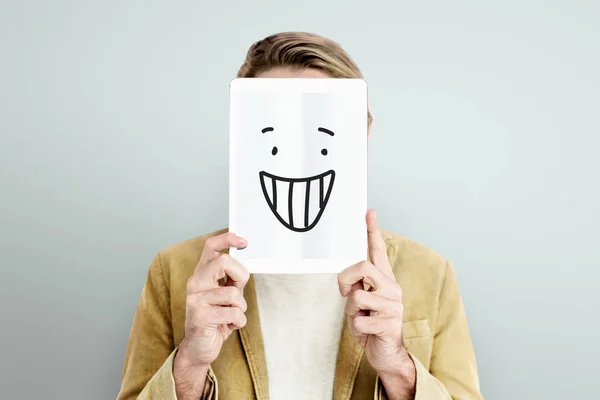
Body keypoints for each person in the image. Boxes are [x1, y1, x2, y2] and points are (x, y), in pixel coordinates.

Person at [117, 32, 483, 400]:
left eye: (319, 124)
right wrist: (190, 365)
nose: (295, 154)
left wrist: (399, 369)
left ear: (361, 132)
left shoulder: (430, 274)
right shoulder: (174, 272)